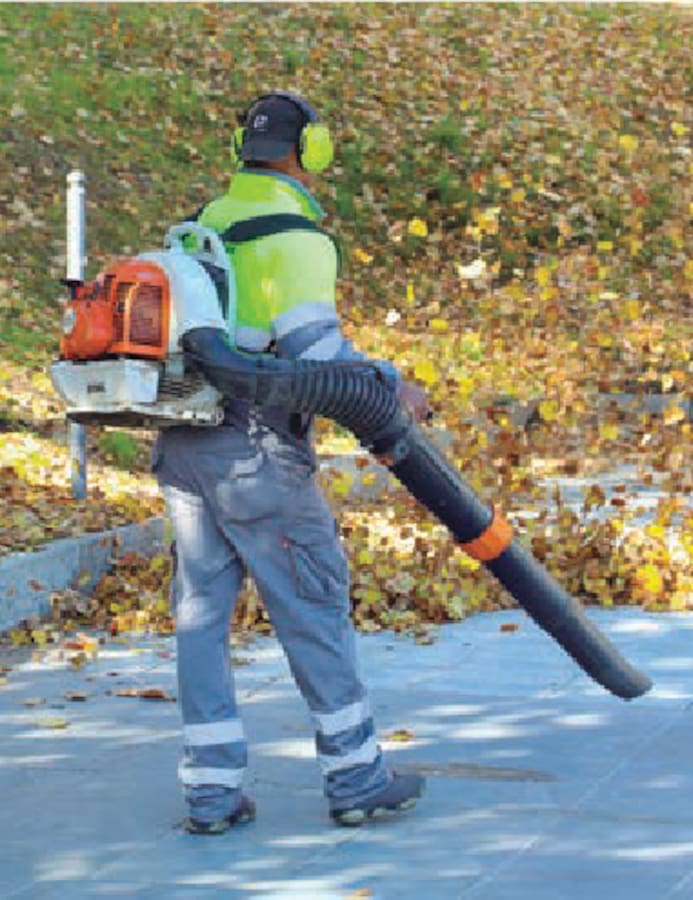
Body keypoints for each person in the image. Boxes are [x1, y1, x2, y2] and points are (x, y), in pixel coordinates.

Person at [153, 90, 428, 834]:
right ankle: (356, 774)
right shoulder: (297, 237)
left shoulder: (208, 220)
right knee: (312, 603)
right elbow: (317, 357)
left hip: (184, 444)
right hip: (257, 452)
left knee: (201, 616)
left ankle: (211, 792)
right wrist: (394, 386)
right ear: (313, 153)